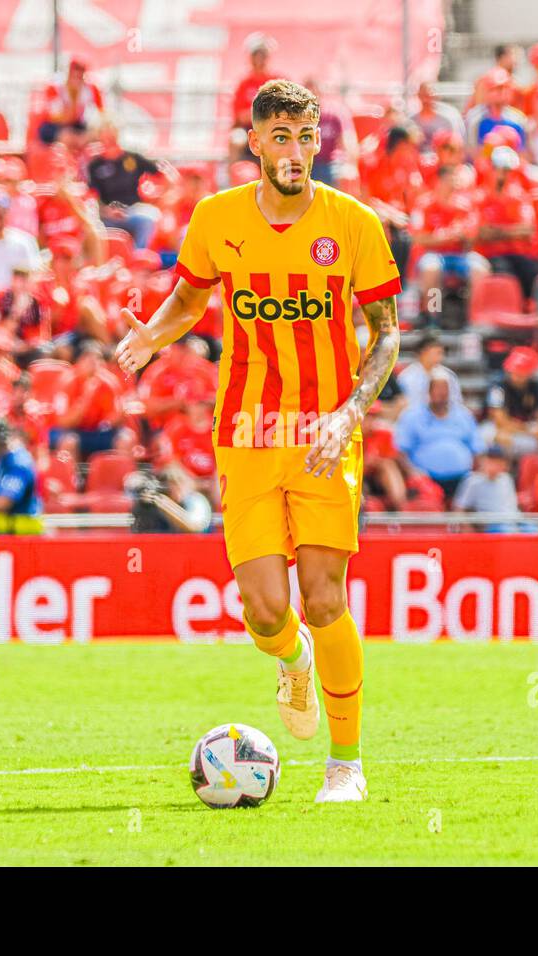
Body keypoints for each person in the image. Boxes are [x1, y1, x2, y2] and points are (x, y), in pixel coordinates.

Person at [113, 80, 402, 803]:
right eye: (281, 137)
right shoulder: (217, 218)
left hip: (324, 435)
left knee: (326, 596)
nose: (296, 151)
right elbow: (190, 295)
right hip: (246, 429)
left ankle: (346, 765)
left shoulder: (355, 223)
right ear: (256, 142)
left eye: (307, 137)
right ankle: (292, 660)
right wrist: (155, 331)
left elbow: (387, 332)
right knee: (268, 609)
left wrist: (350, 412)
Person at [394, 370, 482, 501]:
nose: (442, 393)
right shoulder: (412, 416)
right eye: (437, 388)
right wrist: (412, 472)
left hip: (462, 479)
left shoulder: (464, 415)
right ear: (429, 391)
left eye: (445, 388)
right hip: (425, 481)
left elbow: (478, 449)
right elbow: (400, 452)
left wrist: (475, 473)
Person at [452, 445, 520, 532]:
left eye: (498, 462)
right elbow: (459, 508)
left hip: (513, 521)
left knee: (533, 529)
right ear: (483, 461)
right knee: (505, 529)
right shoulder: (473, 480)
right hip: (490, 524)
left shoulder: (506, 479)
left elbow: (512, 507)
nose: (494, 465)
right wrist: (468, 529)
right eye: (491, 461)